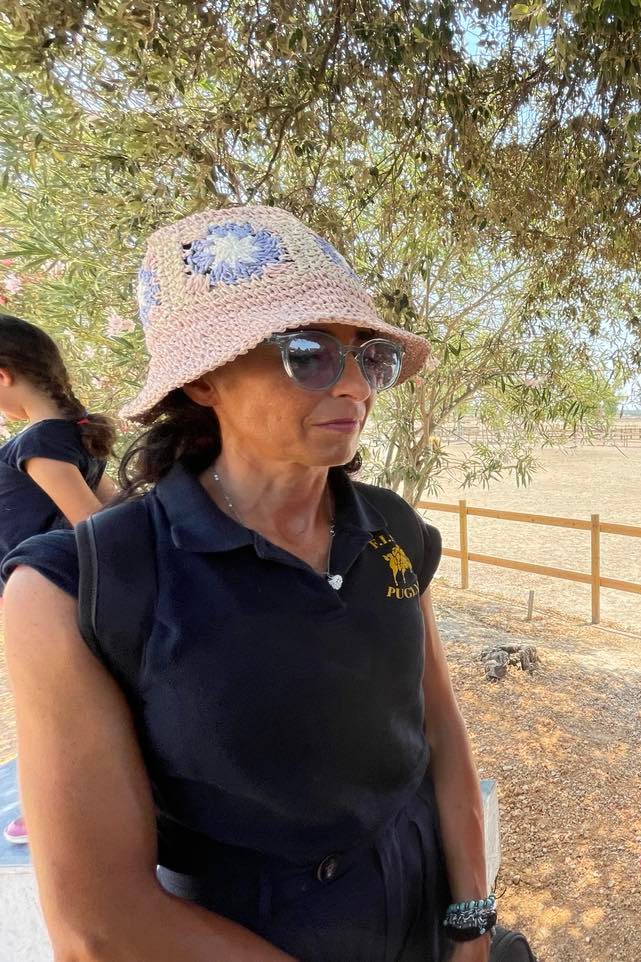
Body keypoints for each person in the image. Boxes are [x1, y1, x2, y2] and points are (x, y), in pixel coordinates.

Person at [2, 207, 494, 961]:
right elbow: (98, 925)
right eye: (309, 354)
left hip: (421, 916)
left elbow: (439, 732)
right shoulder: (75, 590)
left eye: (370, 358)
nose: (355, 386)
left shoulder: (392, 531)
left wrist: (471, 921)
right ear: (204, 380)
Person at [0, 313, 117, 844]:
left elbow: (92, 524)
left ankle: (55, 811)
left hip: (48, 595)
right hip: (68, 591)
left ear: (3, 376)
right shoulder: (71, 432)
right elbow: (116, 510)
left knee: (50, 710)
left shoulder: (39, 441)